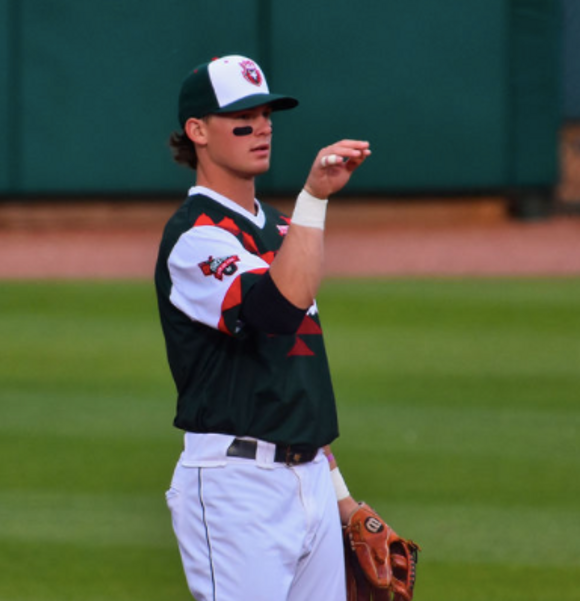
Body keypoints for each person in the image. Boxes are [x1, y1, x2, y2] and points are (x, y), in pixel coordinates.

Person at [154, 55, 371, 601]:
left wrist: (340, 496)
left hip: (311, 481)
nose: (263, 128)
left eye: (268, 115)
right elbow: (274, 311)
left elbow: (294, 376)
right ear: (197, 132)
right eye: (243, 118)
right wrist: (315, 199)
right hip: (236, 488)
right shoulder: (195, 236)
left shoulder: (282, 227)